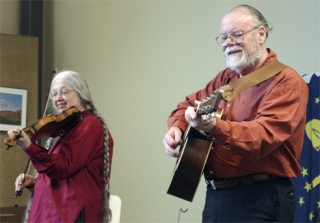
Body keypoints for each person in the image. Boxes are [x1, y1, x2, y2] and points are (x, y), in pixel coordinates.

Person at [163, 4, 308, 222]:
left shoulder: (286, 81)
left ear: (261, 34)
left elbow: (262, 137)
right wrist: (177, 127)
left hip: (259, 197)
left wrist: (214, 127)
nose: (228, 42)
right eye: (223, 37)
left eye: (237, 34)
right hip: (217, 196)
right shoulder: (226, 79)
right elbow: (187, 104)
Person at [7, 71, 114, 223]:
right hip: (56, 212)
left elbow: (63, 167)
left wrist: (29, 147)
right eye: (54, 94)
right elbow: (68, 177)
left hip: (71, 214)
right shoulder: (70, 126)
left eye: (64, 92)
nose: (57, 98)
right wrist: (36, 182)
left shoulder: (90, 126)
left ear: (81, 94)